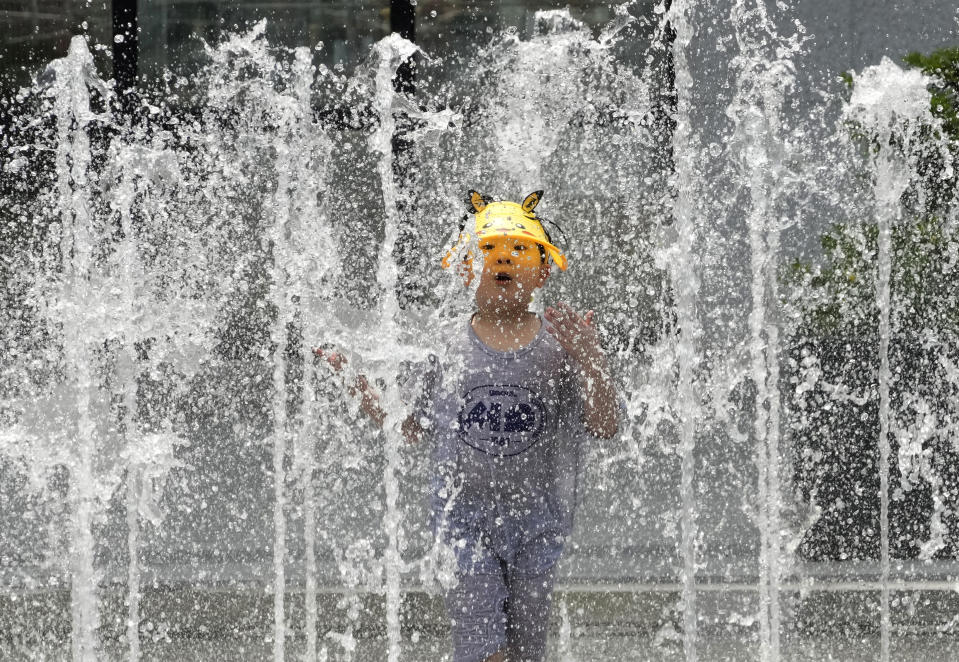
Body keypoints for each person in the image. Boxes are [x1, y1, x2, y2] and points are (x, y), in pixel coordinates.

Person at [317, 190, 619, 662]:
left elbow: (604, 425)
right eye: (488, 249)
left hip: (539, 524)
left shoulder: (559, 349)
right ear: (464, 270)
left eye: (519, 249)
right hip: (463, 522)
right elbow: (409, 427)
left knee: (525, 652)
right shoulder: (444, 347)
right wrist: (356, 383)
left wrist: (591, 360)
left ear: (542, 270)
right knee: (485, 651)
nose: (503, 258)